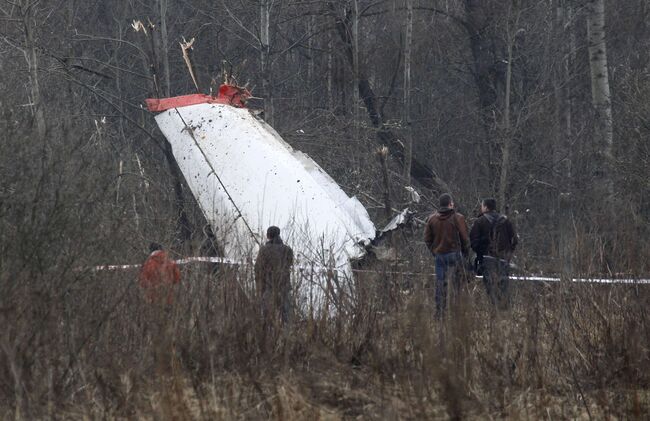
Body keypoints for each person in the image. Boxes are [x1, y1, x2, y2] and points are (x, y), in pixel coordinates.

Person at [424, 193, 470, 317]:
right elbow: (465, 238)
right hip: (455, 254)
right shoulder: (458, 217)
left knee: (440, 284)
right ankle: (457, 311)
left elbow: (427, 239)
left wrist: (434, 251)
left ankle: (440, 312)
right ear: (450, 204)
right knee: (457, 284)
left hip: (440, 255)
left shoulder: (432, 219)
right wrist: (465, 253)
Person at [470, 198, 518, 309]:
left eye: (482, 206)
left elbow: (473, 242)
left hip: (487, 259)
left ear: (486, 207)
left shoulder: (480, 221)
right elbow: (514, 240)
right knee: (503, 288)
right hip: (503, 259)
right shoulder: (506, 221)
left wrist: (480, 254)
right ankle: (504, 315)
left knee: (491, 290)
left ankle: (494, 314)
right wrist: (508, 253)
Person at [254, 226, 294, 324]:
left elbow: (258, 269)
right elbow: (289, 263)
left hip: (269, 287)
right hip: (285, 287)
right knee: (288, 318)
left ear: (268, 236)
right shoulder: (287, 249)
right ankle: (288, 337)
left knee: (266, 317)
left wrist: (260, 286)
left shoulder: (264, 250)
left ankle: (268, 337)